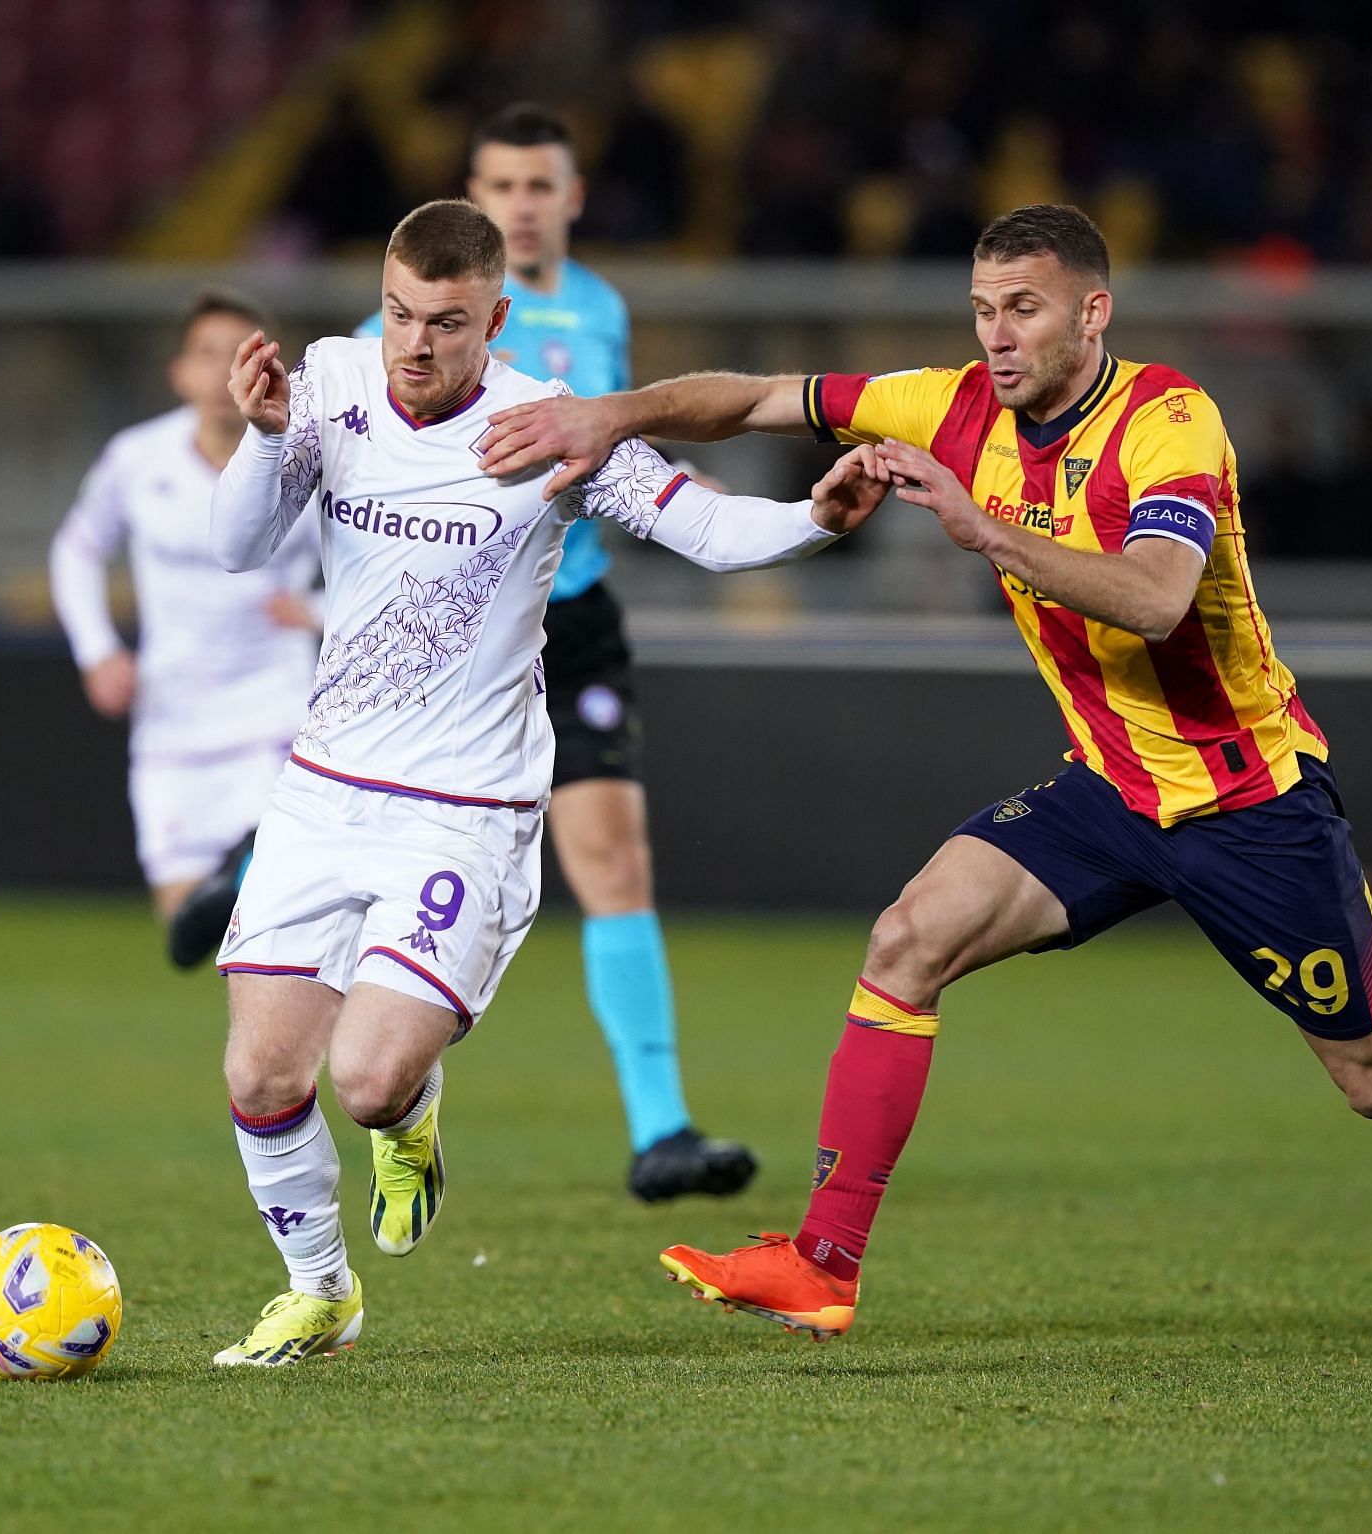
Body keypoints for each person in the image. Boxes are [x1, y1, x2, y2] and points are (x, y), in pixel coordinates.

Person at [477, 203, 1372, 1340]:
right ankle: (823, 1262)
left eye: (1023, 309)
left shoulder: (1172, 421)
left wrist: (982, 529)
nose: (995, 335)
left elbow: (1157, 597)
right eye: (981, 310)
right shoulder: (952, 402)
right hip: (1110, 788)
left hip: (1248, 802)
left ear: (1092, 313)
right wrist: (610, 413)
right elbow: (760, 395)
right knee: (910, 937)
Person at [206, 199, 886, 1366]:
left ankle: (408, 1114)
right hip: (322, 790)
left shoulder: (551, 426)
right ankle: (319, 1290)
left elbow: (707, 530)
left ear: (497, 318)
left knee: (365, 1080)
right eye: (399, 313)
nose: (414, 345)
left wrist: (813, 518)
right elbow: (234, 546)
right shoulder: (325, 382)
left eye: (447, 323)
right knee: (260, 1070)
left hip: (464, 809)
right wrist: (266, 438)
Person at [355, 104, 757, 1203]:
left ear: (571, 199)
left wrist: (682, 493)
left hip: (569, 626)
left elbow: (606, 443)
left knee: (615, 859)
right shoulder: (414, 325)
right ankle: (373, 1076)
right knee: (369, 866)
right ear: (471, 197)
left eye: (541, 186)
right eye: (502, 185)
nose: (521, 204)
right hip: (446, 641)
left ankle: (661, 1129)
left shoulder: (601, 309)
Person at [51, 289, 320, 941]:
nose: (223, 369)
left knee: (278, 915)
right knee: (184, 924)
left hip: (274, 703)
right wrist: (98, 651)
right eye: (208, 353)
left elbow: (377, 561)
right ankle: (241, 874)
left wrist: (315, 610)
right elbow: (77, 550)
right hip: (172, 707)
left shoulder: (307, 459)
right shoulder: (137, 459)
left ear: (271, 370)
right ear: (180, 373)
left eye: (241, 354)